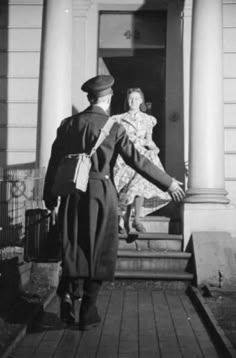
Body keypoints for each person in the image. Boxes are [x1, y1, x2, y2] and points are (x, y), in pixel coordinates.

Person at [43, 75, 185, 331]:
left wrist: (50, 197)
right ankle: (88, 309)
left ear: (89, 98)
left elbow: (54, 163)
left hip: (72, 194)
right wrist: (169, 182)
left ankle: (68, 292)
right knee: (101, 250)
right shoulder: (114, 128)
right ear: (107, 99)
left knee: (74, 244)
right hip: (101, 194)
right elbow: (138, 161)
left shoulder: (67, 125)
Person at [112, 88, 171, 233]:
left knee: (139, 186)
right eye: (131, 98)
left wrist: (155, 149)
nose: (134, 101)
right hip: (124, 156)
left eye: (137, 99)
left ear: (141, 101)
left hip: (142, 155)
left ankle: (137, 219)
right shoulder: (118, 118)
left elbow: (148, 140)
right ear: (127, 100)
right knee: (125, 188)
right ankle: (122, 220)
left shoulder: (148, 119)